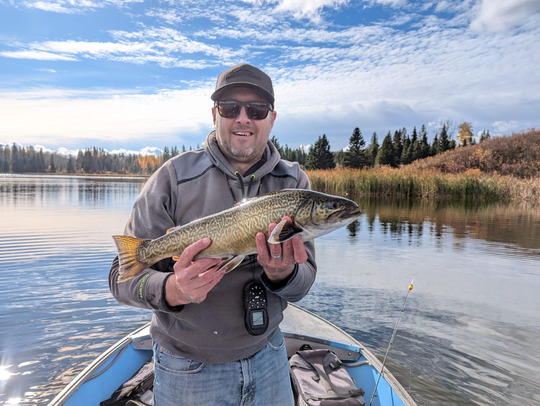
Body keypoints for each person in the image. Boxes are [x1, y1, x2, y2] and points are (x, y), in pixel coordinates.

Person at [109, 63, 317, 406]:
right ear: (214, 115)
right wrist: (173, 289)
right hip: (187, 368)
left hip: (269, 356)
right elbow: (121, 280)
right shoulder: (172, 178)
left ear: (272, 118)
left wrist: (283, 273)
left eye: (257, 109)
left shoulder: (294, 184)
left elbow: (303, 284)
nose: (243, 118)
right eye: (230, 108)